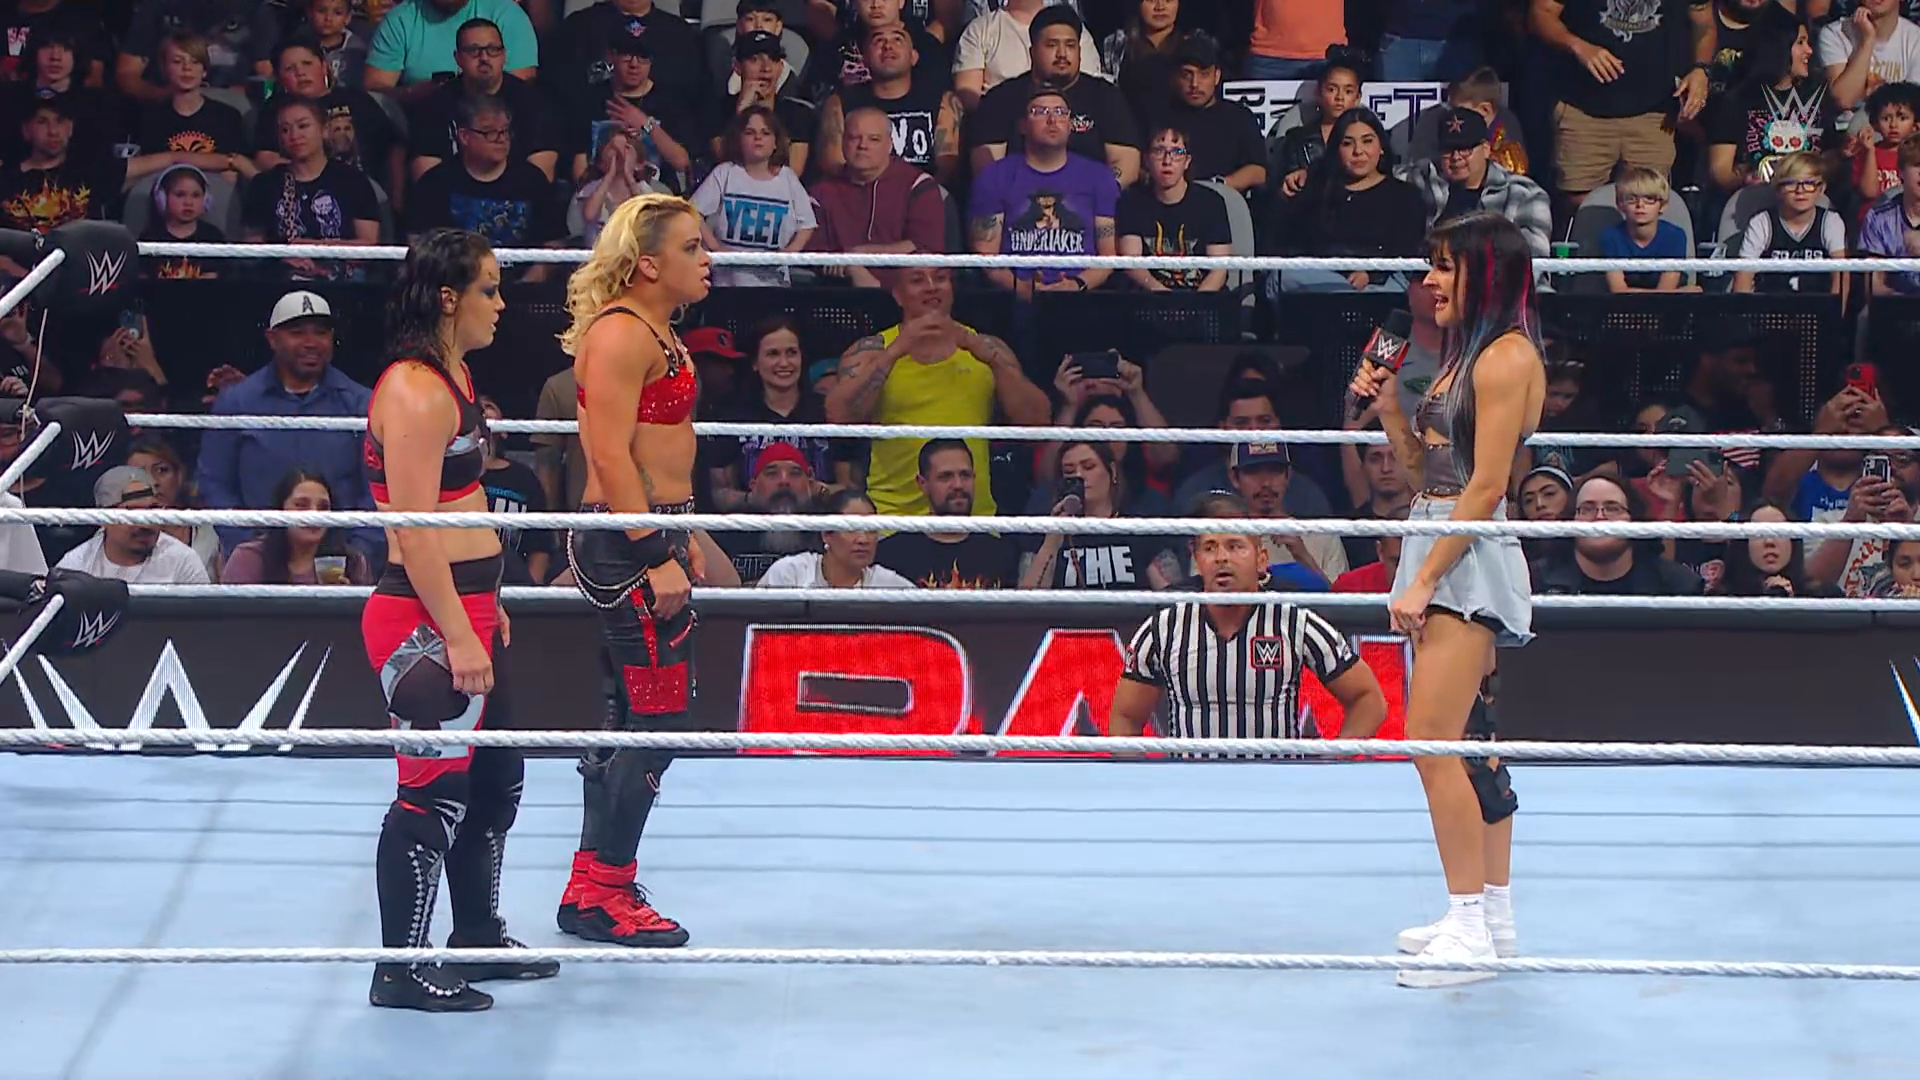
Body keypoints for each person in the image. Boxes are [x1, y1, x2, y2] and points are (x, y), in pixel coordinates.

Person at [1347, 210, 1545, 988]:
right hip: (1439, 535)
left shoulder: (1506, 357)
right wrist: (1391, 409)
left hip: (1466, 555)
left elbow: (1487, 486)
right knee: (1466, 739)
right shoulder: (1468, 355)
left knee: (1432, 741)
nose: (1429, 282)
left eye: (1443, 266)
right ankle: (1490, 916)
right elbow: (1426, 474)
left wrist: (1427, 578)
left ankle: (1468, 927)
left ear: (1484, 272)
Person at [359, 228, 554, 1012]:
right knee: (430, 796)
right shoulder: (414, 391)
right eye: (490, 289)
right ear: (449, 297)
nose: (501, 304)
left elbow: (461, 502)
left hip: (466, 607)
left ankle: (476, 935)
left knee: (496, 782)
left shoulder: (456, 376)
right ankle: (398, 971)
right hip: (422, 620)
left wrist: (487, 603)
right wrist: (460, 631)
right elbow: (413, 531)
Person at [555, 193, 710, 949]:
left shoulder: (655, 329)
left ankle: (592, 885)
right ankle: (608, 891)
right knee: (659, 719)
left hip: (652, 530)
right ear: (648, 263)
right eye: (692, 247)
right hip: (628, 544)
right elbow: (610, 455)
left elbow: (660, 448)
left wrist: (685, 532)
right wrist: (655, 551)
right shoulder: (621, 333)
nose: (707, 260)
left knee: (628, 715)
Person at [1111, 491, 1387, 742]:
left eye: (1235, 546)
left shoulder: (1293, 621)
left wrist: (1331, 769)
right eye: (1210, 547)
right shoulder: (1165, 626)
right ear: (1197, 560)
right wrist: (1151, 778)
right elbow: (1125, 717)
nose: (1222, 558)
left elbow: (1368, 699)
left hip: (1275, 777)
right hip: (1192, 778)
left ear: (1261, 560)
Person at [222, 468, 373, 584]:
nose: (314, 514)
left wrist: (345, 603)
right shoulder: (249, 558)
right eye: (301, 505)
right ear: (281, 509)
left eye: (323, 507)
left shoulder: (353, 562)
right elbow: (231, 614)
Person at [757, 489, 916, 588]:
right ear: (826, 534)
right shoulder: (790, 573)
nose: (863, 539)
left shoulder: (889, 584)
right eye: (852, 529)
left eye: (871, 530)